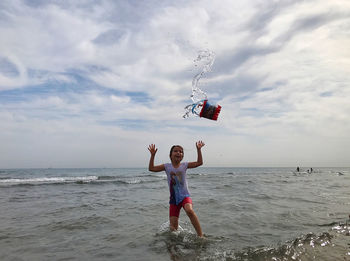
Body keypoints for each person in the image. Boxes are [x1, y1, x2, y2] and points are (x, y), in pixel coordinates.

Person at [148, 141, 205, 237]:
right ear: (170, 155)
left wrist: (199, 150)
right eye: (175, 151)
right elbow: (151, 168)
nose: (178, 153)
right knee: (173, 228)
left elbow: (199, 163)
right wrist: (152, 155)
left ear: (182, 156)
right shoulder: (166, 166)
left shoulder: (185, 165)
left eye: (181, 151)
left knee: (189, 210)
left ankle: (201, 236)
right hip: (174, 199)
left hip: (185, 196)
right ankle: (175, 245)